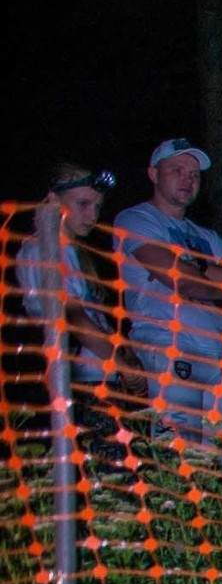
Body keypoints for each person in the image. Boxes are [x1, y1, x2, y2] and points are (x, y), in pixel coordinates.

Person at [115, 137, 222, 441]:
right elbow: (181, 280)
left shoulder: (206, 234)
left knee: (219, 459)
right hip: (168, 345)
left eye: (194, 174)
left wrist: (196, 266)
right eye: (177, 170)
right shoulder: (136, 219)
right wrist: (214, 277)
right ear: (153, 174)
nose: (188, 179)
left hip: (218, 352)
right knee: (176, 455)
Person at [13, 163, 120, 407]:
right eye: (83, 204)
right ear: (54, 199)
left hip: (102, 381)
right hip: (72, 385)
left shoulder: (77, 253)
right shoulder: (41, 249)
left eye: (98, 207)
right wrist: (123, 365)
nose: (93, 215)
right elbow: (73, 317)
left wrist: (125, 356)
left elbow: (94, 316)